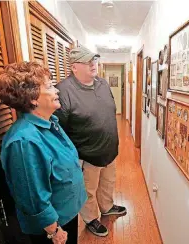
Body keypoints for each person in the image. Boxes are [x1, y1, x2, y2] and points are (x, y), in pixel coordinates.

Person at [0, 62, 87, 244]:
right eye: (50, 86)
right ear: (32, 98)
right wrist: (54, 231)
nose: (57, 90)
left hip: (66, 215)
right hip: (52, 227)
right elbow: (32, 196)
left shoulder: (51, 122)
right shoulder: (24, 142)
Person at [54, 45, 126, 237]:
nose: (92, 65)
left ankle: (107, 206)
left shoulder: (102, 84)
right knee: (88, 190)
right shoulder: (64, 90)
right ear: (74, 67)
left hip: (109, 149)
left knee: (108, 183)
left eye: (93, 60)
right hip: (87, 155)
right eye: (86, 62)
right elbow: (60, 129)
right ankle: (91, 218)